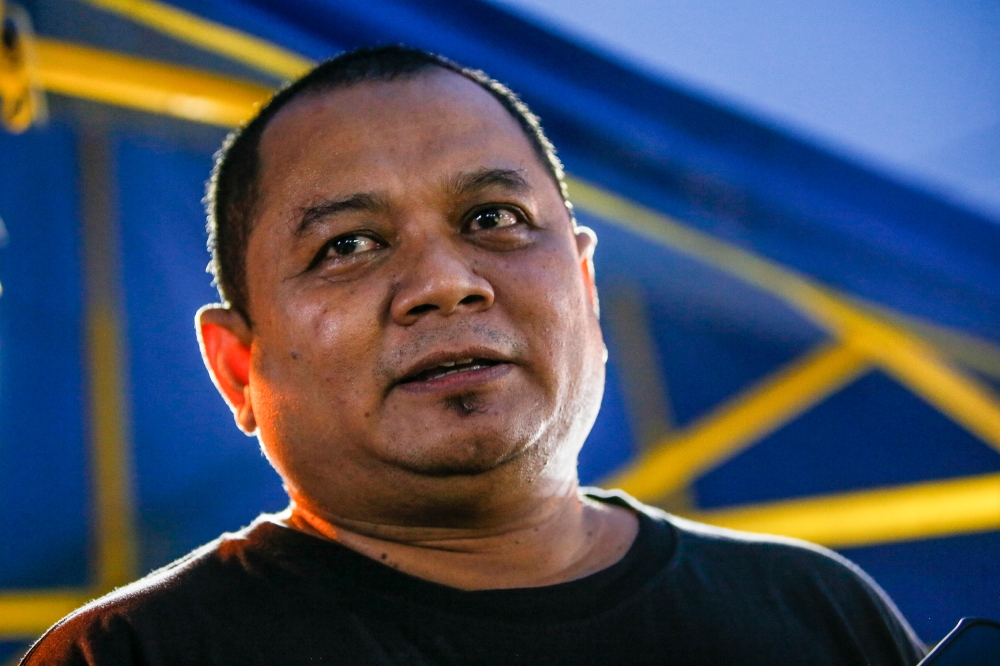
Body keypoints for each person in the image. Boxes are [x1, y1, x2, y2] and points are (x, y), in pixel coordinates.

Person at [22, 46, 926, 665]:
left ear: (584, 290)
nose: (446, 283)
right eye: (348, 244)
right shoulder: (136, 656)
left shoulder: (814, 614)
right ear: (237, 370)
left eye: (493, 220)